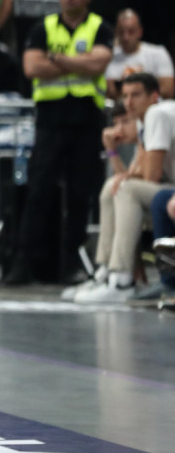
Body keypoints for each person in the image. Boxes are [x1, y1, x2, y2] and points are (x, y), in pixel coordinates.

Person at [7, 0, 112, 285]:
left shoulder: (100, 27)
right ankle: (23, 263)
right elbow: (31, 67)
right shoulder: (43, 28)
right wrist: (78, 63)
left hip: (86, 122)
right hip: (50, 122)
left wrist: (56, 59)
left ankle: (70, 265)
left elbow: (99, 64)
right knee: (38, 192)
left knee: (81, 195)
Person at [75, 73, 175, 303]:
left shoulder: (157, 114)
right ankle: (106, 273)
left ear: (154, 96)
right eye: (125, 96)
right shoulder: (144, 120)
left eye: (136, 95)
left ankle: (122, 280)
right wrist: (112, 151)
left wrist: (131, 174)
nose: (129, 102)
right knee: (113, 186)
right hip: (166, 189)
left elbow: (150, 176)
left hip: (169, 190)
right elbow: (128, 175)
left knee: (126, 189)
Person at [105, 8, 174, 99]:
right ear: (116, 33)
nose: (126, 37)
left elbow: (168, 90)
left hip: (153, 105)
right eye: (121, 32)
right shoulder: (109, 55)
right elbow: (110, 91)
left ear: (140, 32)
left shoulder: (158, 53)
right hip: (120, 105)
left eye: (131, 31)